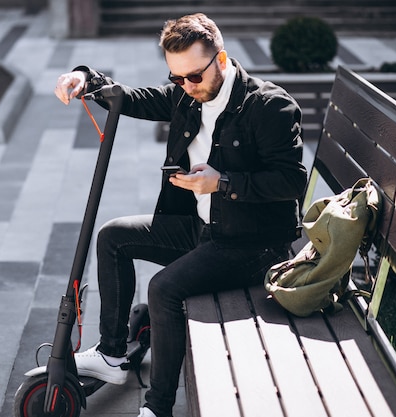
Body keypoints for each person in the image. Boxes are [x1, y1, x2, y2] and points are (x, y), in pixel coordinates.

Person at [54, 13, 307, 417]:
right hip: (204, 229)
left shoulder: (269, 106)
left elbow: (292, 181)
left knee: (164, 289)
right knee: (113, 236)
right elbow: (134, 97)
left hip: (252, 243)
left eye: (193, 76)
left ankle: (158, 408)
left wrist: (223, 182)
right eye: (176, 79)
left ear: (221, 61)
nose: (186, 87)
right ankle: (112, 355)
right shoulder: (187, 95)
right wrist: (86, 78)